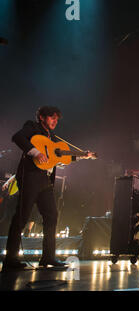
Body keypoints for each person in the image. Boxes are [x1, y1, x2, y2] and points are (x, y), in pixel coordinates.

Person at [2, 106, 94, 271]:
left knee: (51, 215)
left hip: (44, 180)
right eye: (52, 118)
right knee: (21, 217)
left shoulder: (51, 137)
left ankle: (48, 257)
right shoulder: (32, 127)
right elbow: (17, 137)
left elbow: (58, 157)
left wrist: (81, 156)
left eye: (57, 119)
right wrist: (35, 152)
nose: (55, 121)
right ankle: (11, 259)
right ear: (42, 117)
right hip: (30, 177)